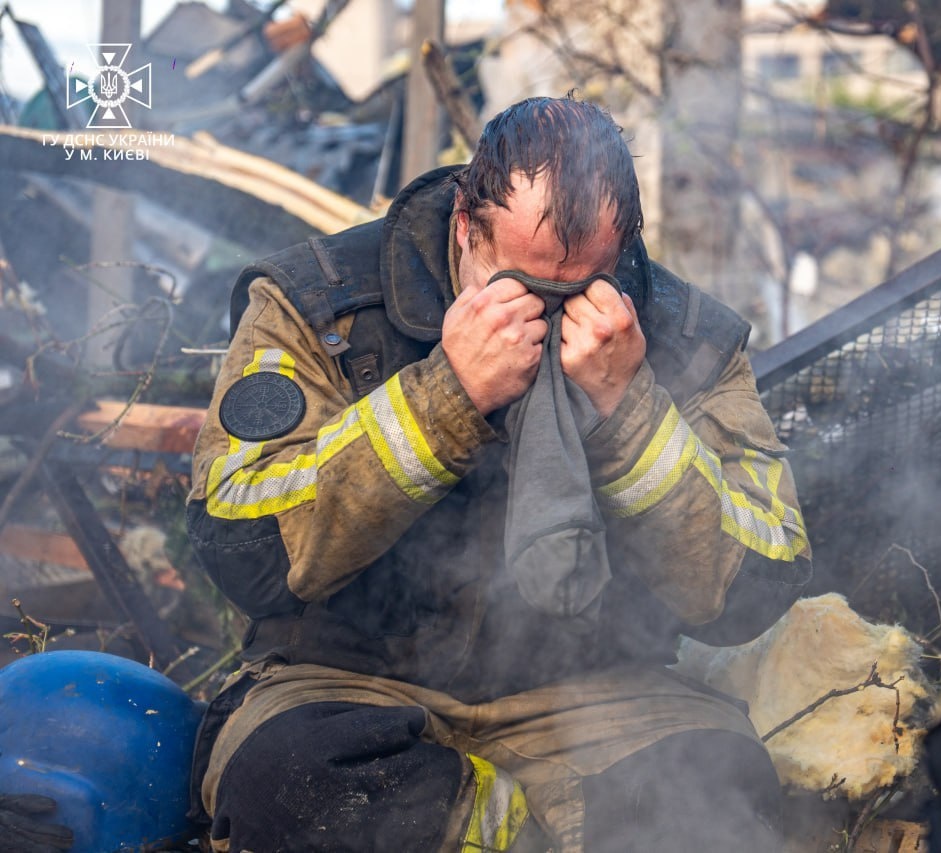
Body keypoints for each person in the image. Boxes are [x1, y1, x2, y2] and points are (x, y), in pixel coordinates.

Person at [185, 95, 812, 852]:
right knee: (284, 780)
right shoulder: (318, 304)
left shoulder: (689, 337)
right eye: (517, 281)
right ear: (462, 224)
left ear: (625, 249)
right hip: (347, 684)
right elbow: (242, 545)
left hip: (601, 693)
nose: (549, 314)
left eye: (581, 286)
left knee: (720, 783)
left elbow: (759, 579)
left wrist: (627, 410)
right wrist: (442, 400)